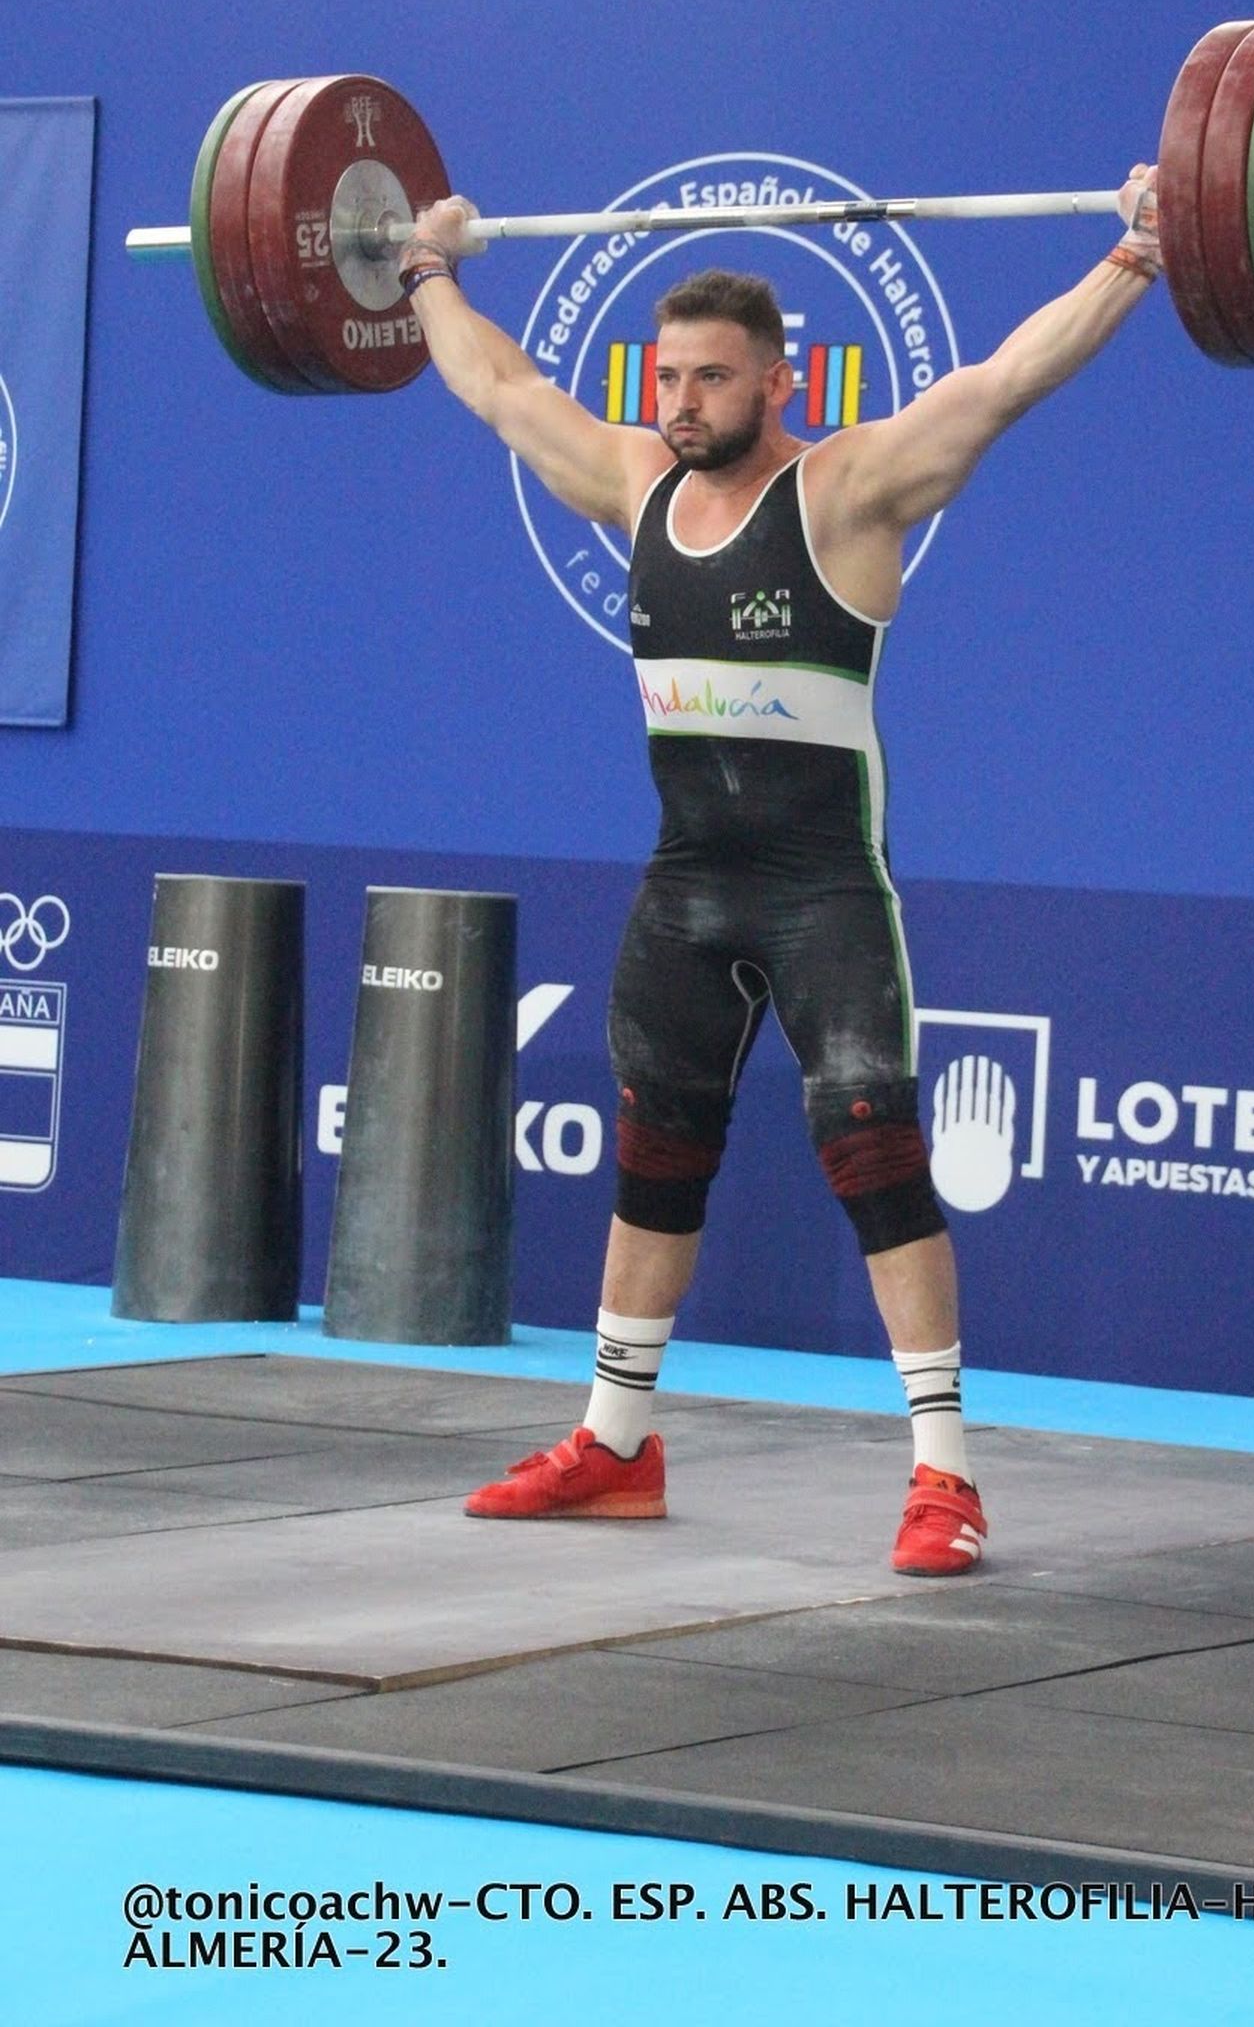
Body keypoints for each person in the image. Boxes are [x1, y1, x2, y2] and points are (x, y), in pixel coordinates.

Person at [396, 166, 1162, 1574]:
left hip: (821, 893)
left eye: (710, 378)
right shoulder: (632, 482)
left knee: (873, 1152)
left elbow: (999, 386)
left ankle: (945, 1479)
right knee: (656, 1155)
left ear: (776, 378)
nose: (679, 400)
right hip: (684, 885)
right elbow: (501, 391)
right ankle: (616, 1445)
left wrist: (1141, 254)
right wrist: (427, 270)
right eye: (666, 375)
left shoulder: (851, 490)